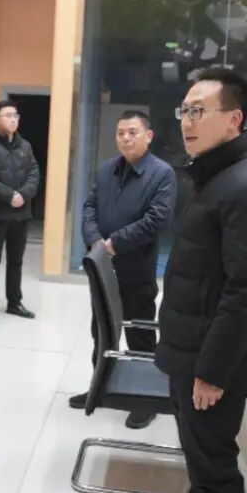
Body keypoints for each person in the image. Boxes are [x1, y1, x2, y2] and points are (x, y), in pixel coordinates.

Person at [145, 69, 247, 493]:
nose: (187, 120)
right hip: (190, 347)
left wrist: (213, 371)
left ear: (234, 119)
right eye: (185, 110)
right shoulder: (217, 176)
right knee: (198, 462)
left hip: (209, 361)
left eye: (199, 110)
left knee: (215, 468)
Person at [71, 109, 176, 430]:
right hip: (102, 269)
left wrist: (113, 244)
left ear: (148, 136)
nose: (126, 138)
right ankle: (100, 385)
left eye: (133, 132)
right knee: (101, 330)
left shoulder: (161, 173)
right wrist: (95, 242)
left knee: (139, 333)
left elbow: (157, 219)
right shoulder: (107, 169)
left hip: (136, 269)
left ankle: (145, 401)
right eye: (121, 133)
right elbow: (89, 207)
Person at [0, 100, 40, 321]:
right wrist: (9, 195)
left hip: (22, 214)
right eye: (8, 115)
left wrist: (23, 194)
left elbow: (34, 174)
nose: (13, 119)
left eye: (15, 115)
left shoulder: (25, 147)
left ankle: (14, 302)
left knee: (16, 260)